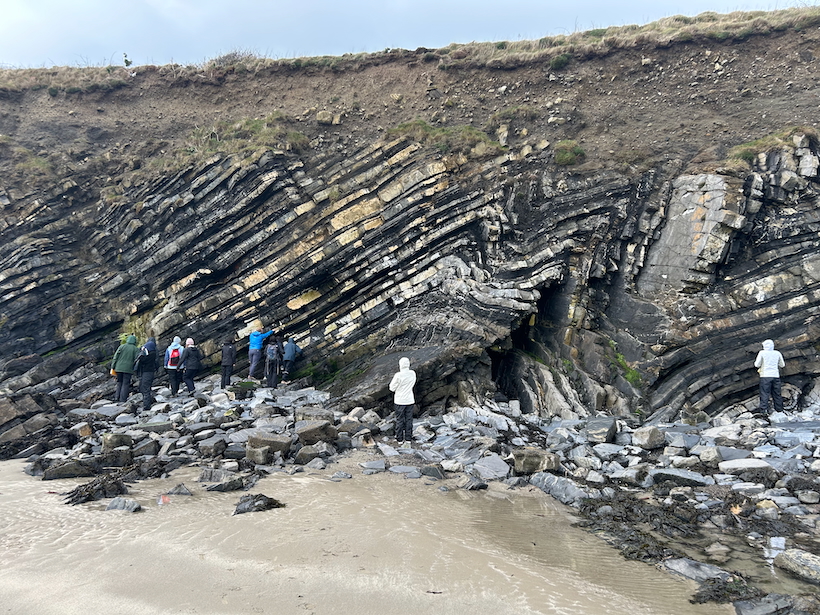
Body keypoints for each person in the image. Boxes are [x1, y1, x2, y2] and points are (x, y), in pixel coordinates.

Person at [389, 357, 416, 446]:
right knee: (409, 419)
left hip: (400, 400)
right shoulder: (412, 373)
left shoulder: (398, 375)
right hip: (410, 400)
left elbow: (392, 388)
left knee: (400, 420)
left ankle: (399, 439)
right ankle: (408, 438)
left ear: (400, 365)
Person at [754, 339, 785, 416]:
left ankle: (764, 410)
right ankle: (779, 410)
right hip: (775, 376)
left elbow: (757, 364)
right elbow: (782, 365)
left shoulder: (762, 353)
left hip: (765, 376)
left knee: (764, 393)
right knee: (777, 393)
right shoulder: (777, 353)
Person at [111, 334, 140, 403]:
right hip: (128, 369)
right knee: (125, 383)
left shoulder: (122, 347)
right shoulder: (135, 349)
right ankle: (123, 399)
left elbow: (115, 357)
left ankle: (116, 397)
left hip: (118, 368)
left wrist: (113, 367)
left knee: (119, 382)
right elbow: (137, 359)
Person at [134, 336, 159, 411]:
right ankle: (150, 401)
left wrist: (142, 353)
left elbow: (142, 360)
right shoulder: (154, 352)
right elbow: (157, 362)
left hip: (146, 373)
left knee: (145, 388)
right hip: (150, 372)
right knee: (145, 387)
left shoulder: (148, 355)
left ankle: (147, 406)